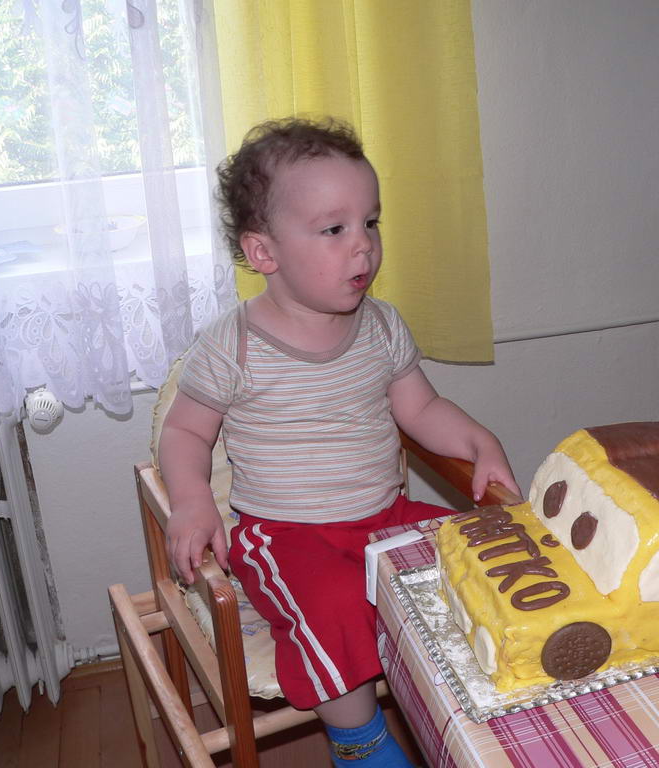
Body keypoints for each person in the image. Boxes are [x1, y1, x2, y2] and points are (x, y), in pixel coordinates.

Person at [158, 117, 521, 766]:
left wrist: (480, 442)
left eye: (370, 223)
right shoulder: (232, 344)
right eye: (334, 229)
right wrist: (191, 500)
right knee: (332, 606)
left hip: (385, 515)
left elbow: (422, 407)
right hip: (286, 536)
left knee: (475, 554)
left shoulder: (382, 325)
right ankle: (361, 742)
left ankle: (471, 703)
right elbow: (185, 430)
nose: (364, 247)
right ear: (264, 253)